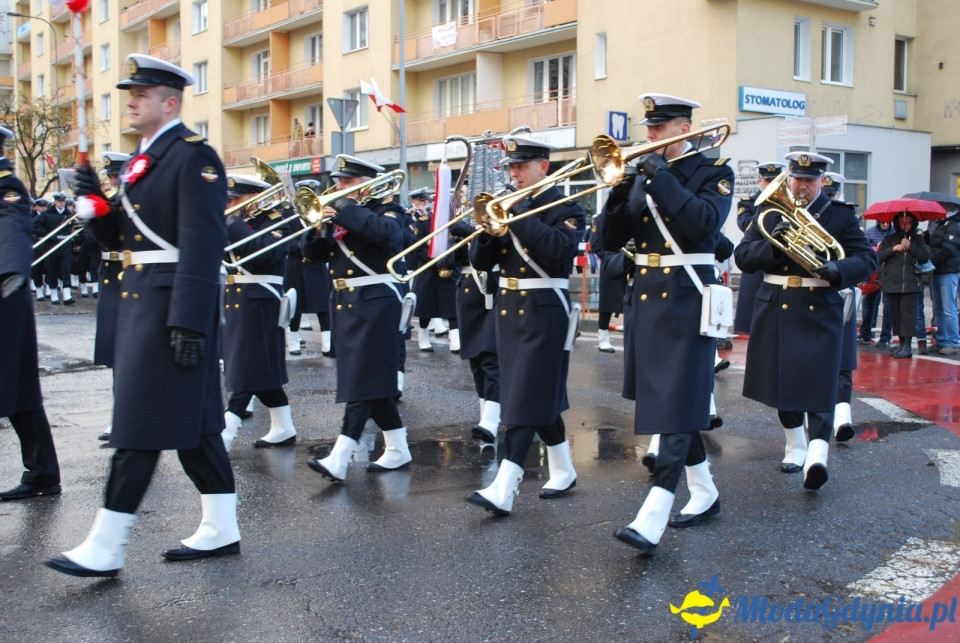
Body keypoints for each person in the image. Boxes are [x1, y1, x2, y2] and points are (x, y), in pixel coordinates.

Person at [45, 54, 239, 578]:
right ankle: (223, 526)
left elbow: (202, 244)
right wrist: (93, 206)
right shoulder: (144, 160)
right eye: (130, 92)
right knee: (196, 428)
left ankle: (106, 544)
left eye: (141, 93)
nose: (130, 100)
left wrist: (190, 321)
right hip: (144, 297)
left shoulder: (191, 156)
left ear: (169, 102)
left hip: (166, 305)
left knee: (138, 426)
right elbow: (124, 241)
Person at [600, 94, 731, 556]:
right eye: (647, 128)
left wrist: (659, 175)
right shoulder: (643, 175)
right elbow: (608, 240)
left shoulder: (714, 173)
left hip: (688, 296)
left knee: (679, 399)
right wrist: (618, 192)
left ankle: (653, 513)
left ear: (681, 128)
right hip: (648, 299)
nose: (648, 136)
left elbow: (703, 226)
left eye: (657, 128)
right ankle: (705, 491)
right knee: (669, 400)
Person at [735, 151, 876, 490]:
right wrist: (775, 246)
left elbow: (867, 259)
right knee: (781, 385)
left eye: (809, 180)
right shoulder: (769, 213)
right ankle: (795, 444)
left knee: (819, 383)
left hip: (819, 305)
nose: (802, 186)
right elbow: (742, 256)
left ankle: (817, 453)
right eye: (797, 179)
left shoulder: (839, 215)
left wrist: (838, 270)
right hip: (776, 304)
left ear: (822, 182)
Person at [466, 135, 585, 515]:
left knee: (522, 398)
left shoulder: (566, 207)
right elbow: (481, 261)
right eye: (511, 167)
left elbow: (557, 250)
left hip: (546, 308)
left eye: (521, 167)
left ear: (543, 167)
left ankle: (504, 485)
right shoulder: (507, 204)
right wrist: (488, 228)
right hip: (509, 309)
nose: (514, 174)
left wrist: (521, 212)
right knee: (534, 393)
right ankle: (563, 469)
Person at [303, 154, 413, 483]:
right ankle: (397, 448)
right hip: (346, 302)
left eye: (347, 182)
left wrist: (347, 210)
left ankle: (340, 456)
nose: (339, 187)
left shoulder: (387, 210)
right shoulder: (341, 215)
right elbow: (313, 255)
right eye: (339, 181)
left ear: (366, 184)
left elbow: (389, 236)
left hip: (378, 300)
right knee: (371, 382)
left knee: (361, 379)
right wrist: (317, 229)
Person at [0, 125, 62, 501]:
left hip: (6, 295)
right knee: (20, 394)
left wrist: (11, 274)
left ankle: (43, 474)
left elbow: (12, 227)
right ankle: (42, 473)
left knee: (18, 390)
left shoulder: (8, 182)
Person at [220, 175, 298, 450]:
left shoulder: (276, 219)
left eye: (235, 199)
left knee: (247, 368)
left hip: (262, 300)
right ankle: (283, 427)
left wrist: (233, 224)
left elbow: (266, 253)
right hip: (236, 298)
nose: (229, 204)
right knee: (260, 371)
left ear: (254, 196)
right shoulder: (239, 223)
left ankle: (226, 434)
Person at [93, 151, 132, 443]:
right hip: (109, 279)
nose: (113, 181)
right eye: (110, 176)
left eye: (117, 176)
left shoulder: (131, 201)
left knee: (131, 355)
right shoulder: (111, 200)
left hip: (130, 275)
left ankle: (130, 416)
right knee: (115, 355)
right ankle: (119, 415)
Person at [822, 172, 860, 440]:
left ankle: (843, 418)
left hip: (842, 290)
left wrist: (842, 269)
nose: (829, 198)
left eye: (832, 194)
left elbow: (864, 255)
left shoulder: (845, 217)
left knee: (843, 358)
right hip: (812, 295)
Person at [408, 187, 461, 353]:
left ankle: (456, 337)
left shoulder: (455, 221)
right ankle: (423, 335)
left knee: (453, 304)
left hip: (450, 266)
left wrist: (451, 257)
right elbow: (417, 247)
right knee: (427, 306)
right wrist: (433, 258)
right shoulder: (424, 221)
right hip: (429, 268)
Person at [734, 162, 784, 336]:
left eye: (774, 180)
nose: (770, 184)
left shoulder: (784, 201)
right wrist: (764, 214)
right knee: (752, 311)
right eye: (766, 180)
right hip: (758, 253)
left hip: (778, 258)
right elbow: (744, 224)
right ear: (759, 181)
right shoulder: (748, 202)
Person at [285, 179, 333, 357]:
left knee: (323, 307)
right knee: (294, 307)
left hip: (316, 266)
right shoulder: (289, 214)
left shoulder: (322, 212)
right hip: (296, 265)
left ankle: (328, 343)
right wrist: (303, 247)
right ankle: (293, 340)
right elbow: (285, 240)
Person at [876, 212, 931, 359]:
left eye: (908, 222)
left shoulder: (918, 239)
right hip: (892, 283)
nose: (905, 225)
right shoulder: (889, 239)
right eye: (902, 222)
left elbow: (924, 257)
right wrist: (894, 249)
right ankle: (901, 343)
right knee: (896, 315)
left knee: (908, 315)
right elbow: (878, 256)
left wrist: (910, 247)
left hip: (911, 283)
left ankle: (907, 345)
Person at [589, 211, 627, 352]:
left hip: (632, 262)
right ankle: (603, 337)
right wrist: (610, 259)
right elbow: (595, 244)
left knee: (633, 301)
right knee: (607, 302)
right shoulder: (601, 218)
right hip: (612, 262)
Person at [926, 202, 960, 355]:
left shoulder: (955, 224)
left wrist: (930, 262)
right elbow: (932, 242)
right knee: (938, 308)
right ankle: (941, 340)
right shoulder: (937, 222)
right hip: (937, 269)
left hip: (948, 270)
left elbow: (949, 248)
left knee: (948, 308)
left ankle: (952, 341)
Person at [34, 192, 75, 305]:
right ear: (55, 201)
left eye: (63, 201)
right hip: (51, 245)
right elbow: (36, 225)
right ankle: (53, 295)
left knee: (66, 268)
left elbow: (75, 226)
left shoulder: (69, 214)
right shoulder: (47, 214)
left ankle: (67, 296)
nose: (62, 203)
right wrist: (48, 234)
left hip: (65, 245)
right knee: (52, 269)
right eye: (60, 201)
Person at [858, 220, 894, 348]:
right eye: (882, 222)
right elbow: (865, 248)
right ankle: (866, 333)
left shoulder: (894, 234)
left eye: (887, 222)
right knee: (869, 304)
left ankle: (885, 337)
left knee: (888, 307)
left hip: (888, 272)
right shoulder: (870, 232)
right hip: (875, 271)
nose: (885, 224)